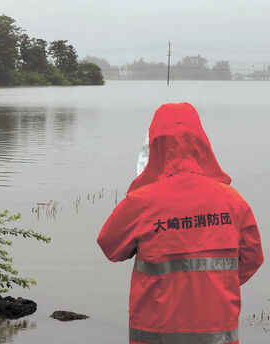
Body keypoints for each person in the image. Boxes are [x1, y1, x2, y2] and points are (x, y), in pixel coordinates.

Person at [97, 102, 263, 344]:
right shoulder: (232, 201)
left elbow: (110, 246)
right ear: (202, 143)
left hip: (156, 334)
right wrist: (213, 283)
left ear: (154, 145)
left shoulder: (143, 201)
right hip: (218, 333)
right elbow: (253, 258)